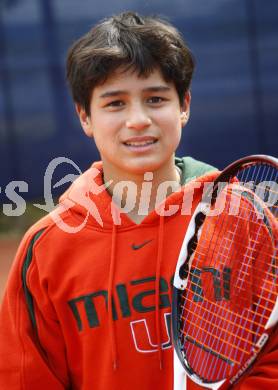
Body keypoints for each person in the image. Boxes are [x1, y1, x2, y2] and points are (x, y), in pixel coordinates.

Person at [0, 11, 276, 390]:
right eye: (115, 104)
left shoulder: (241, 220)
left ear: (184, 106)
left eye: (155, 98)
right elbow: (24, 377)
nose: (138, 120)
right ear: (85, 117)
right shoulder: (46, 249)